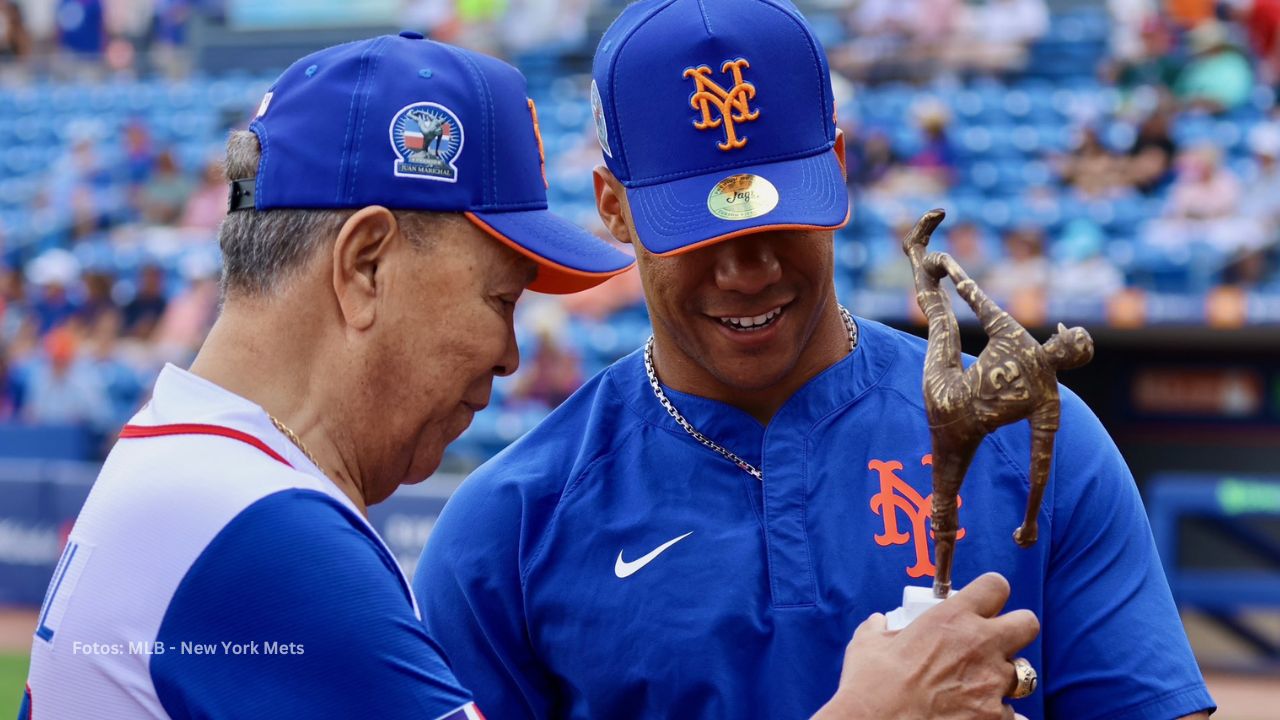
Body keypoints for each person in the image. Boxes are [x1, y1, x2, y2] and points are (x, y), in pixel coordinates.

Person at [414, 1, 1216, 719]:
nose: (745, 269)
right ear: (613, 207)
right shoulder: (509, 528)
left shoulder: (1033, 437)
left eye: (776, 219)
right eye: (699, 233)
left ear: (837, 165)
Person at [19, 32, 635, 720]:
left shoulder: (190, 467)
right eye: (501, 300)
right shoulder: (261, 528)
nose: (508, 354)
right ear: (365, 266)